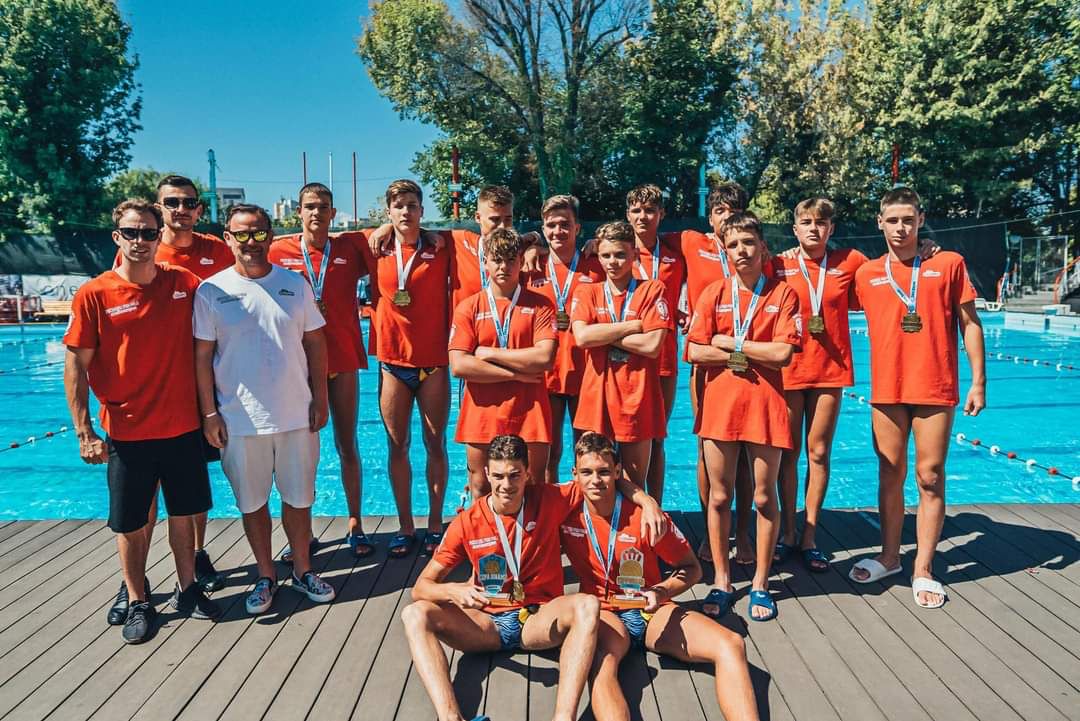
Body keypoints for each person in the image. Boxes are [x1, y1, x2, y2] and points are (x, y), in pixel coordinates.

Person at [400, 434, 665, 721]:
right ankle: (451, 718)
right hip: (485, 623)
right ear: (487, 473)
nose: (506, 485)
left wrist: (647, 501)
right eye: (498, 476)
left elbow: (604, 477)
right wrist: (453, 591)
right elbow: (421, 587)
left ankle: (562, 718)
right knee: (415, 614)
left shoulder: (551, 498)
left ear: (527, 473)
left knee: (587, 605)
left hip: (538, 620)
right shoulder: (467, 522)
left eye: (514, 475)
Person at [65, 199, 221, 644]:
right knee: (131, 524)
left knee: (184, 513)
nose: (140, 241)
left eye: (148, 233)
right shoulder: (95, 294)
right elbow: (75, 365)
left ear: (159, 236)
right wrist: (84, 431)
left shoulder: (183, 283)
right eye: (131, 233)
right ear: (117, 237)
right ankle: (137, 598)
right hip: (128, 432)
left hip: (183, 427)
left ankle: (188, 588)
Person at [194, 203, 335, 616]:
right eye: (242, 234)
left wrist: (320, 397)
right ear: (228, 238)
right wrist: (209, 414)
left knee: (299, 498)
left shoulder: (294, 284)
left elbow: (316, 342)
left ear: (271, 236)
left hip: (296, 415)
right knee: (252, 503)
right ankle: (265, 574)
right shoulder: (211, 291)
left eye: (258, 233)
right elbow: (202, 357)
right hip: (239, 420)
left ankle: (303, 569)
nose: (251, 242)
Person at [560, 432, 760, 721]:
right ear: (574, 474)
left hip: (651, 610)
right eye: (586, 472)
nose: (595, 480)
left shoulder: (646, 517)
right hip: (604, 614)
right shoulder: (563, 510)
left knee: (731, 644)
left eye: (603, 472)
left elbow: (692, 568)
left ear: (617, 471)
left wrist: (661, 591)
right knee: (601, 665)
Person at [850, 187, 986, 609]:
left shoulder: (947, 263)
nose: (900, 227)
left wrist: (978, 382)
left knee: (929, 476)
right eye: (892, 220)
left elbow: (970, 323)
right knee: (889, 474)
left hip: (934, 386)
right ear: (879, 222)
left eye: (908, 220)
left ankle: (923, 568)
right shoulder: (865, 273)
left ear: (921, 220)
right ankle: (890, 557)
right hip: (887, 389)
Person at [110, 174, 231, 594]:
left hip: (198, 388)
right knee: (144, 494)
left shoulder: (217, 251)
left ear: (200, 209)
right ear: (159, 208)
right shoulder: (139, 247)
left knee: (192, 489)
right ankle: (134, 581)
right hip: (149, 396)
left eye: (189, 202)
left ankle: (196, 556)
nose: (181, 209)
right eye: (172, 202)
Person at [687, 211, 802, 622]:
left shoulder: (783, 295)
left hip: (765, 408)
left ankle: (761, 583)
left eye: (748, 242)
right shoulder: (713, 293)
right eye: (733, 245)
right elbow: (694, 350)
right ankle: (722, 579)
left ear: (763, 248)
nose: (741, 251)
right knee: (719, 496)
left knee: (764, 496)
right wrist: (750, 349)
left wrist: (730, 342)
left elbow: (782, 353)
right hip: (720, 408)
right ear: (725, 251)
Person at [268, 182, 374, 559]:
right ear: (299, 212)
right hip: (297, 366)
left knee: (347, 445)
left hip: (342, 360)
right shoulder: (277, 251)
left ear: (332, 212)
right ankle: (305, 532)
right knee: (300, 454)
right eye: (310, 206)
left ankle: (355, 523)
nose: (317, 212)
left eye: (324, 206)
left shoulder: (350, 248)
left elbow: (392, 235)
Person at [772, 198, 869, 572]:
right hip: (789, 370)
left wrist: (926, 247)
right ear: (795, 228)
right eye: (807, 222)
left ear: (831, 228)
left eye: (821, 222)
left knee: (818, 453)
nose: (814, 228)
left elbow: (891, 268)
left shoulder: (850, 261)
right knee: (788, 455)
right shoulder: (779, 265)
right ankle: (787, 532)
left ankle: (810, 536)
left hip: (830, 371)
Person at [371, 180, 454, 558]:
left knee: (435, 444)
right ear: (388, 210)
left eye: (412, 205)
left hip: (433, 363)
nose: (406, 211)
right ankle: (405, 526)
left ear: (422, 210)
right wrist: (382, 229)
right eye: (399, 205)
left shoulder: (442, 246)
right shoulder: (373, 245)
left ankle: (435, 523)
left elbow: (487, 237)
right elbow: (323, 240)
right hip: (392, 364)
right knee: (397, 446)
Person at [449, 227, 557, 497]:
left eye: (510, 260)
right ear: (485, 262)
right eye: (497, 260)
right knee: (481, 487)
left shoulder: (541, 305)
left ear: (520, 262)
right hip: (482, 412)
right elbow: (459, 365)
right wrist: (516, 375)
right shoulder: (469, 307)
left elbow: (544, 357)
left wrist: (489, 353)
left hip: (529, 411)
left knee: (533, 487)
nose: (504, 267)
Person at [679, 182, 756, 564]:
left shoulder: (752, 250)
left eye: (734, 211)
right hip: (707, 361)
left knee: (744, 454)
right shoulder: (691, 242)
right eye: (720, 211)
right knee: (706, 449)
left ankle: (743, 532)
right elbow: (642, 237)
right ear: (710, 217)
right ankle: (714, 536)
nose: (727, 217)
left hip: (748, 364)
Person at [570, 221, 672, 492]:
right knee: (593, 480)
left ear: (634, 255)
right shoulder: (587, 291)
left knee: (633, 484)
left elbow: (652, 345)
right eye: (605, 255)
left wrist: (602, 333)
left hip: (636, 396)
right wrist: (632, 326)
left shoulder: (652, 290)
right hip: (596, 398)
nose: (612, 262)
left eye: (620, 254)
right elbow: (582, 338)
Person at [527, 194, 604, 484]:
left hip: (587, 373)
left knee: (589, 453)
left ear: (577, 227)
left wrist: (600, 242)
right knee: (549, 453)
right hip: (546, 374)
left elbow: (627, 249)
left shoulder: (596, 264)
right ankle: (551, 506)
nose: (558, 231)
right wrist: (530, 245)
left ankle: (584, 507)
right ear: (543, 229)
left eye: (564, 224)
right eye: (551, 225)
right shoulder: (532, 264)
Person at [623, 185, 687, 504]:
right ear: (627, 215)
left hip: (664, 357)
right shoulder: (615, 252)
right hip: (625, 359)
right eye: (636, 210)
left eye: (649, 210)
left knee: (658, 437)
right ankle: (625, 510)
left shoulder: (677, 254)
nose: (643, 216)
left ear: (661, 214)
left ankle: (657, 508)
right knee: (623, 436)